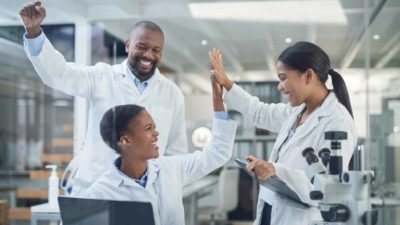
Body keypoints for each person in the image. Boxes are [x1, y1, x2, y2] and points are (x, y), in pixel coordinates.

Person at [19, 1, 188, 195]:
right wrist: (34, 32)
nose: (148, 54)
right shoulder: (102, 76)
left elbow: (176, 153)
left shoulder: (172, 94)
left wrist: (165, 193)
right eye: (141, 46)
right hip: (96, 188)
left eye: (156, 50)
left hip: (145, 194)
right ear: (127, 45)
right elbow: (60, 74)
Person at [208, 42, 357, 225]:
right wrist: (226, 83)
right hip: (272, 208)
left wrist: (275, 170)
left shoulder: (337, 121)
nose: (279, 86)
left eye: (283, 78)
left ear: (308, 75)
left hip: (299, 218)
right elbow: (260, 113)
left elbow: (327, 188)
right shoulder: (298, 110)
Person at [83, 75, 237, 225]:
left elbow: (219, 152)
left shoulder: (171, 168)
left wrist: (217, 98)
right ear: (125, 140)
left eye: (154, 127)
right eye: (148, 128)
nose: (156, 133)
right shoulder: (98, 194)